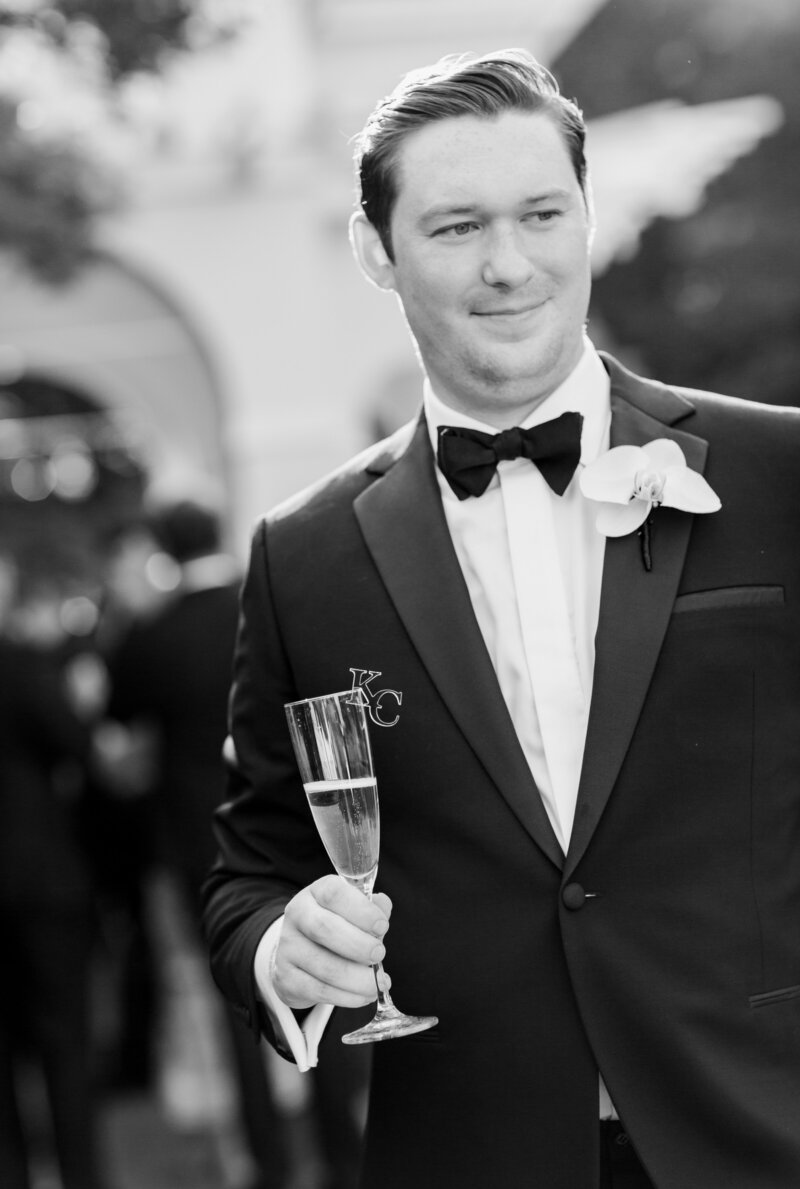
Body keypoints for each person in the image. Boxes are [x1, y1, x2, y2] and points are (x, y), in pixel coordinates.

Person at [202, 49, 800, 1189]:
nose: (507, 265)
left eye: (539, 214)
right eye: (454, 226)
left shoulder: (778, 470)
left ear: (584, 216)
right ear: (374, 252)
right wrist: (286, 945)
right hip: (472, 1149)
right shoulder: (305, 553)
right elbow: (249, 871)